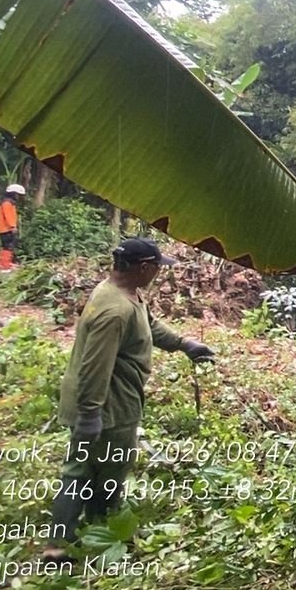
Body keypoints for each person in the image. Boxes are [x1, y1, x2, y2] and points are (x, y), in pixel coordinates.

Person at [42, 238, 214, 561]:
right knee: (99, 472)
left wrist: (183, 344)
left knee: (88, 468)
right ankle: (79, 540)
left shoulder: (119, 292)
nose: (158, 274)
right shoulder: (115, 311)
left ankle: (84, 529)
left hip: (106, 403)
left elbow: (148, 325)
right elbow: (95, 365)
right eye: (157, 269)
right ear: (144, 268)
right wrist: (91, 414)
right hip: (108, 407)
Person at [0, 183, 24, 270]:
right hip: (6, 229)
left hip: (4, 228)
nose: (18, 197)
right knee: (8, 246)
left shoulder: (8, 202)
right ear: (14, 193)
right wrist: (12, 226)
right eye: (18, 195)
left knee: (7, 246)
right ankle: (5, 264)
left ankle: (6, 262)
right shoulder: (7, 203)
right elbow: (8, 216)